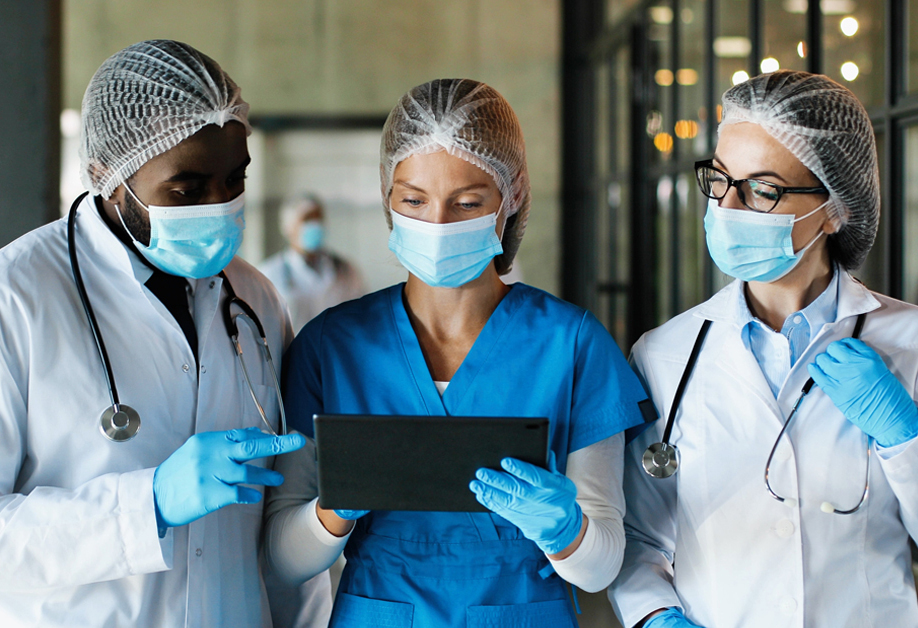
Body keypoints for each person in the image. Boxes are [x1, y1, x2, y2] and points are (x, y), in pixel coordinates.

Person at [264, 78, 650, 627]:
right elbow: (283, 558)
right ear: (387, 197)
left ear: (511, 196)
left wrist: (565, 529)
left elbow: (601, 566)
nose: (438, 224)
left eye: (467, 202)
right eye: (414, 200)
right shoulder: (331, 346)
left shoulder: (573, 343)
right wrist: (333, 510)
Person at [0, 40, 306, 626]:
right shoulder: (5, 300)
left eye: (235, 180)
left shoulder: (253, 298)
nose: (219, 205)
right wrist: (144, 505)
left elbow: (278, 532)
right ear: (107, 174)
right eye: (187, 190)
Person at [607, 70, 918, 627]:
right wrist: (655, 617)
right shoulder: (664, 355)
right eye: (721, 179)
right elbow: (636, 537)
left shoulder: (909, 343)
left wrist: (906, 437)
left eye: (764, 189)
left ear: (834, 208)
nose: (728, 206)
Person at [258, 195, 364, 330]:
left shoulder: (346, 270)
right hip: (294, 350)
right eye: (307, 219)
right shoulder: (269, 274)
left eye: (318, 218)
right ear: (288, 227)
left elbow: (361, 315)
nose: (315, 224)